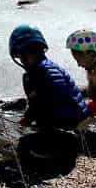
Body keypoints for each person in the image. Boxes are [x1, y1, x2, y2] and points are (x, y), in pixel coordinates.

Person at [9, 24, 89, 173]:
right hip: (66, 115)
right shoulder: (36, 72)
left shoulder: (46, 70)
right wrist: (30, 114)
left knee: (26, 143)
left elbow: (50, 97)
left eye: (26, 54)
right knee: (34, 128)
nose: (24, 58)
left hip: (72, 117)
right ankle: (56, 139)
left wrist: (31, 114)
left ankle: (59, 146)